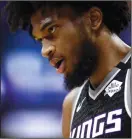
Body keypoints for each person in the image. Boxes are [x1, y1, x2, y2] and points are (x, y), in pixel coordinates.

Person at [4, 1, 131, 138]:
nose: (44, 51)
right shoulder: (71, 104)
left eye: (51, 29)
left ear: (93, 19)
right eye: (40, 40)